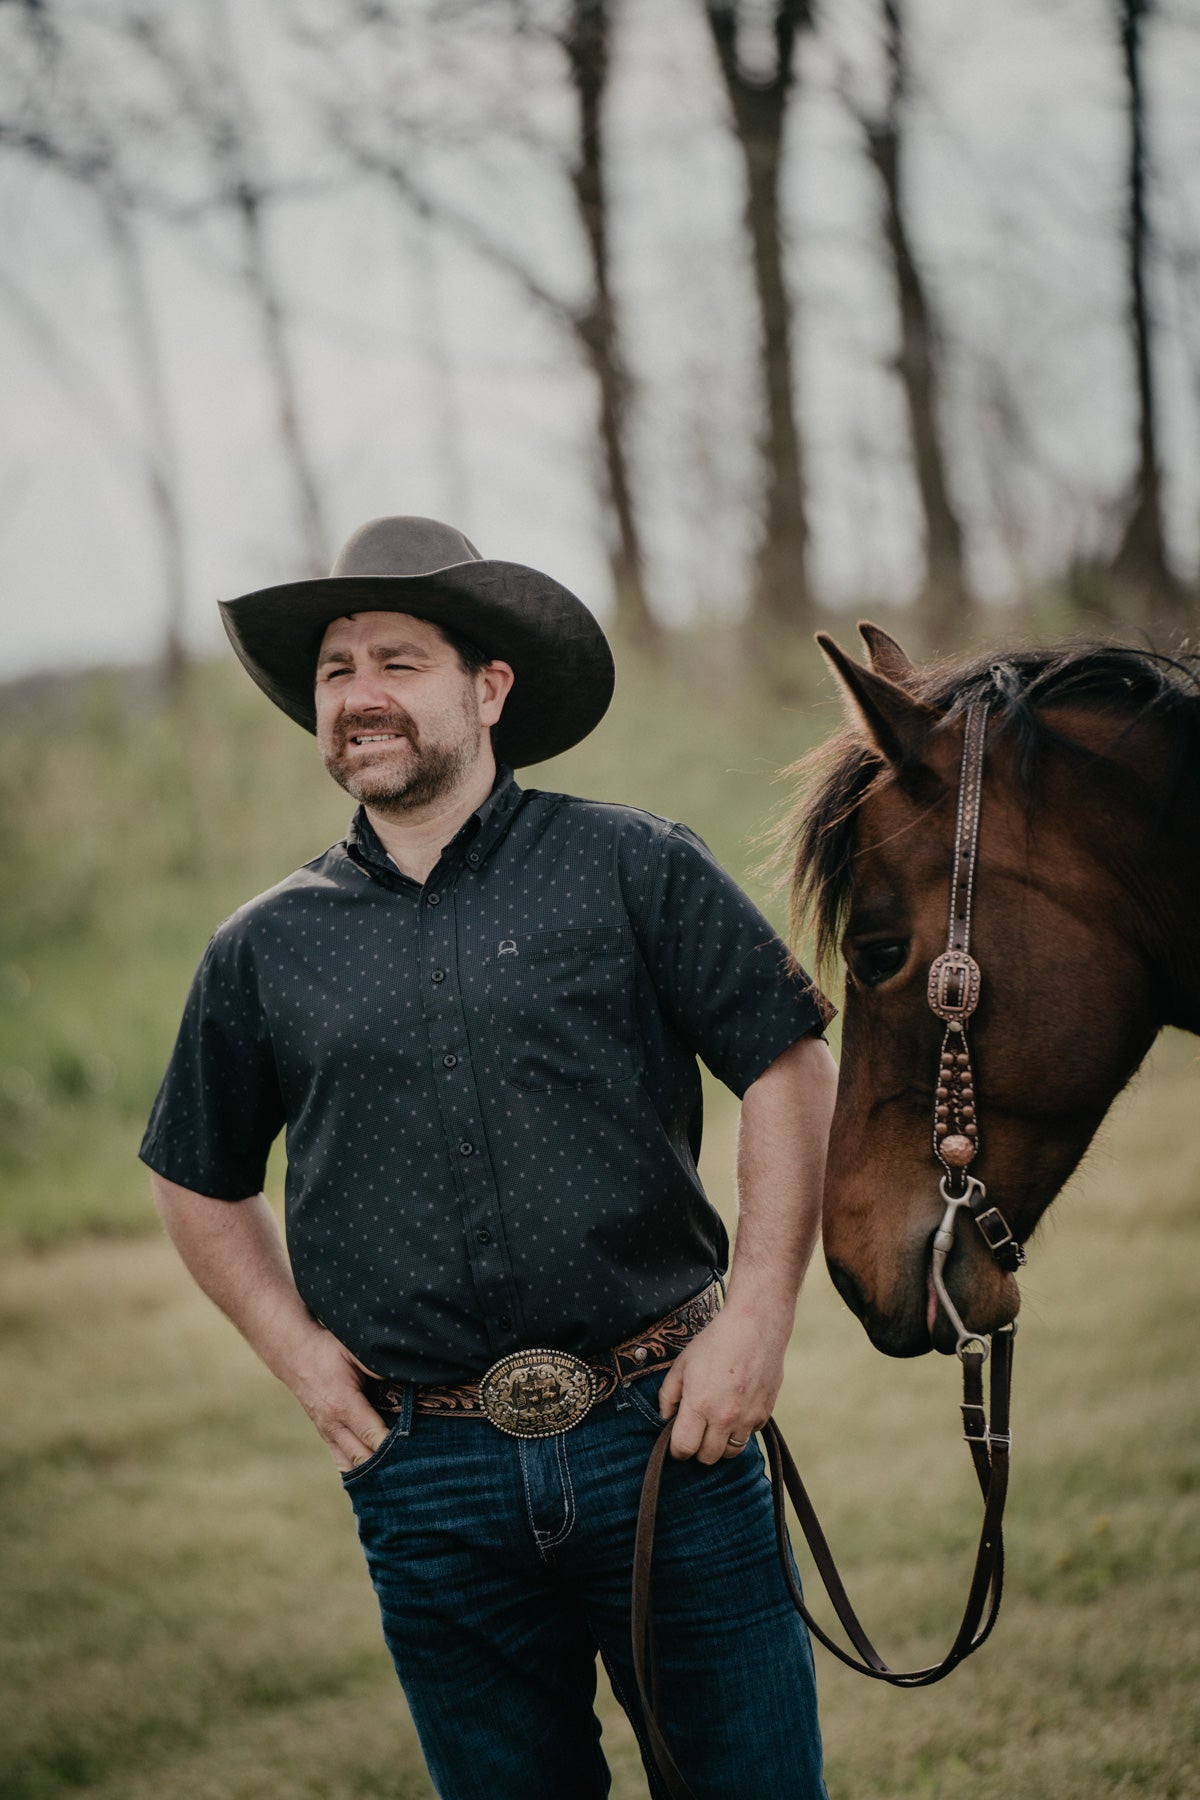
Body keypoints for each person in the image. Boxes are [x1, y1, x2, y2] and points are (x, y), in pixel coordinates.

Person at [141, 515, 838, 1800]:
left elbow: (787, 1060)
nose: (359, 696)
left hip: (666, 1438)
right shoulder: (262, 948)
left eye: (397, 660)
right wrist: (299, 1358)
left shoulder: (633, 864)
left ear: (488, 686)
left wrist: (759, 1318)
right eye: (336, 670)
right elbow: (195, 1170)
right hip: (427, 1475)